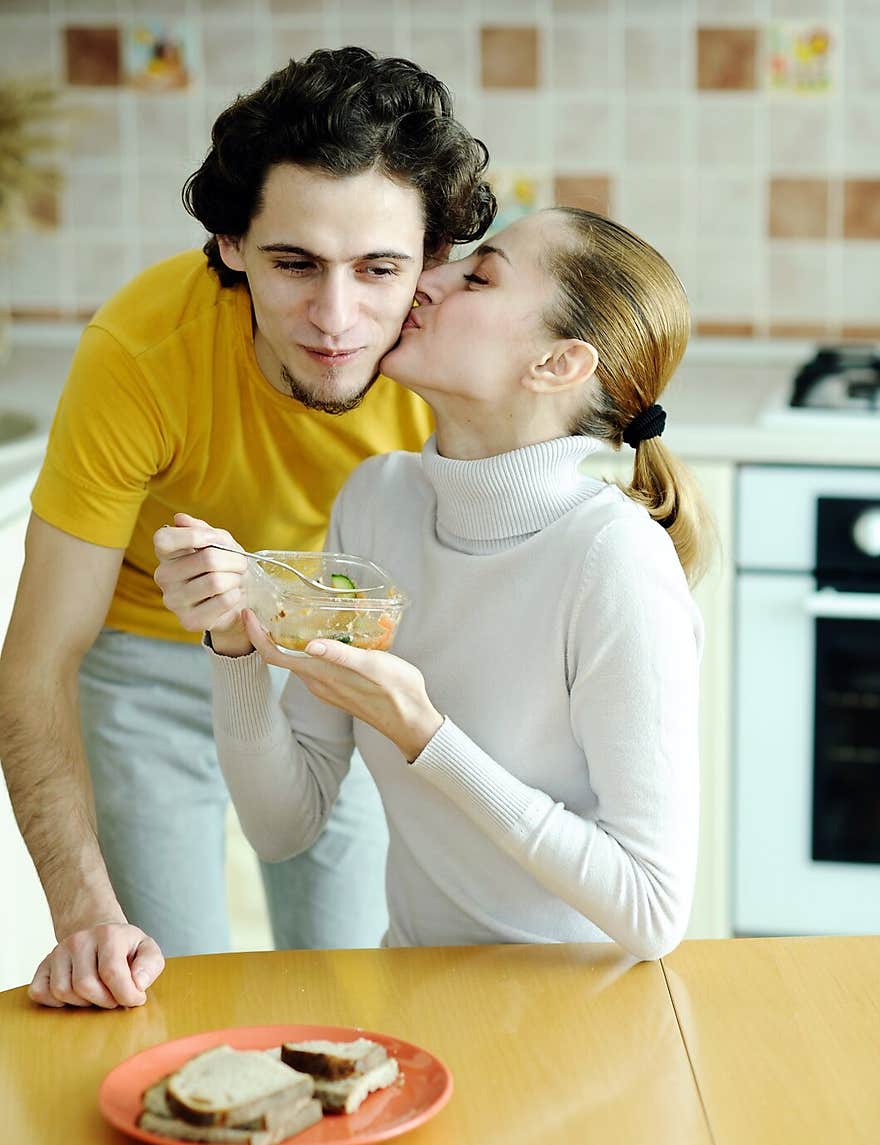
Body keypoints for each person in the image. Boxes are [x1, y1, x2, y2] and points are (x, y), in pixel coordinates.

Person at [0, 47, 495, 1011]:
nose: (337, 319)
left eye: (379, 269)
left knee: (350, 989)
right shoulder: (141, 355)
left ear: (432, 262)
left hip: (333, 663)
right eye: (294, 263)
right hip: (149, 663)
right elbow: (35, 659)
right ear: (230, 244)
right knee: (164, 993)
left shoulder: (448, 370)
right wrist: (83, 914)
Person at [155, 208, 714, 963]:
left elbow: (652, 912)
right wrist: (233, 642)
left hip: (579, 1011)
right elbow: (283, 825)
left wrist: (426, 735)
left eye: (478, 277)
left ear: (558, 364)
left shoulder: (614, 563)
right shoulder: (379, 500)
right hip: (415, 986)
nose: (426, 279)